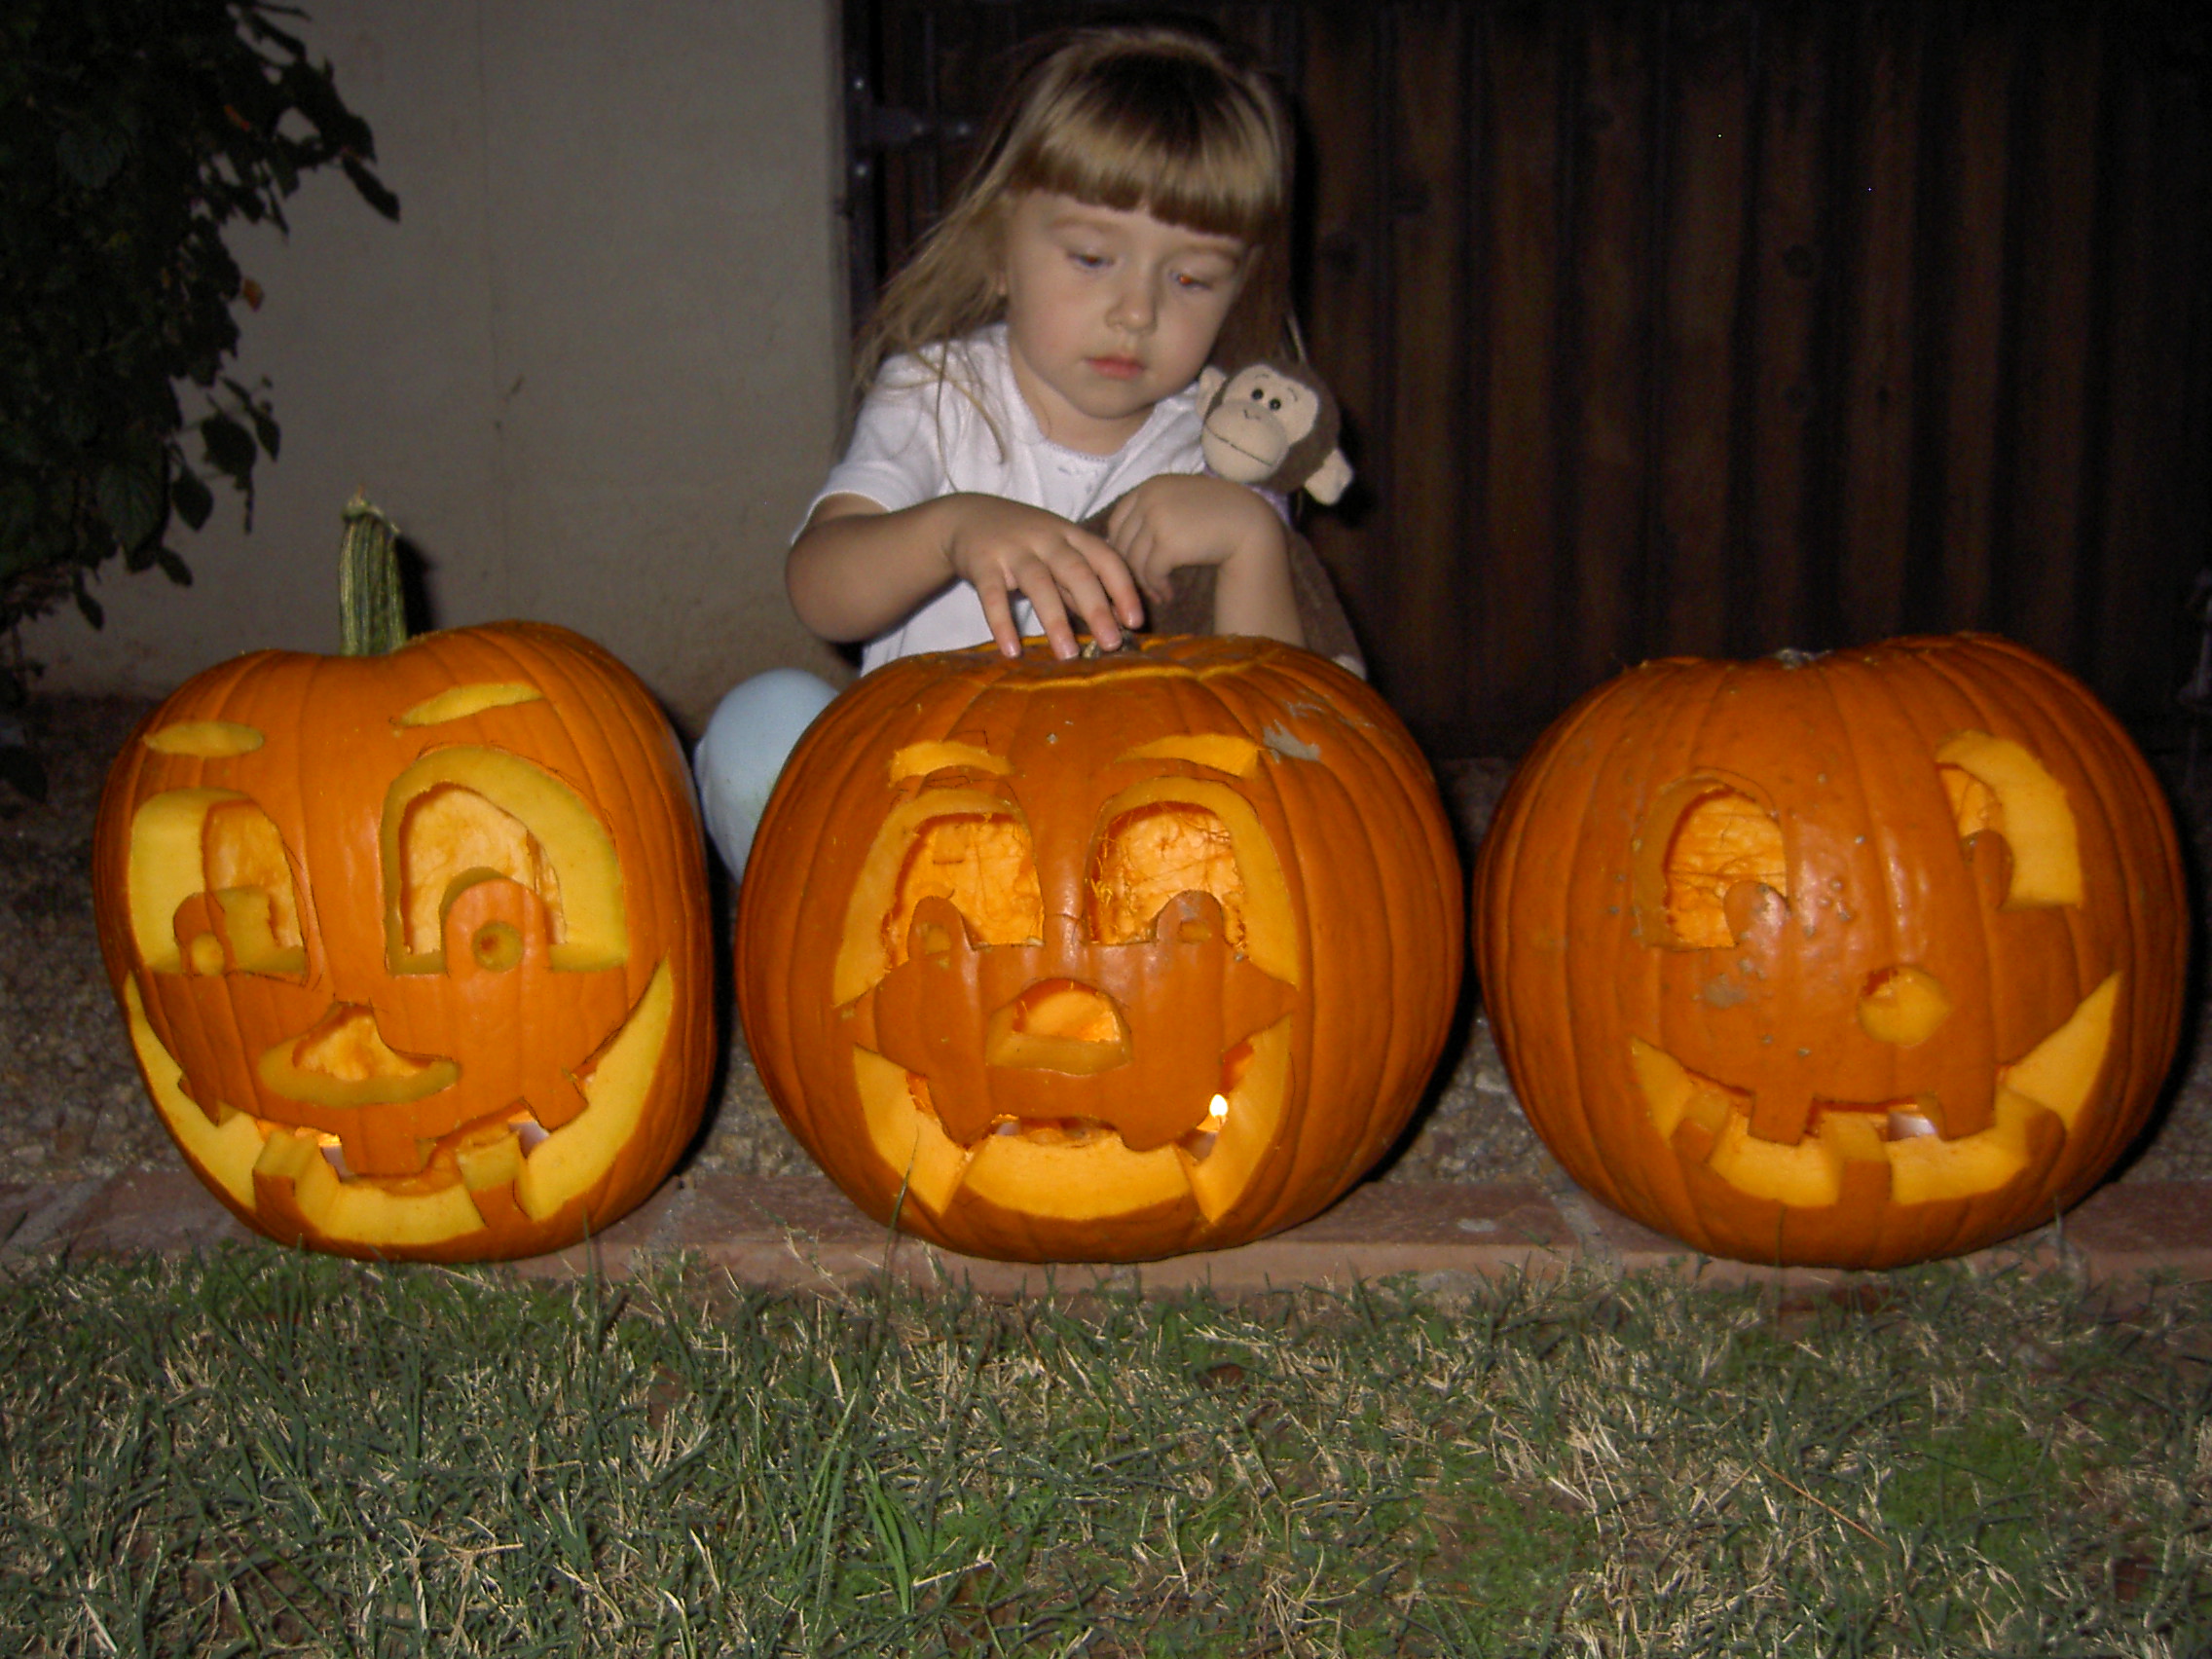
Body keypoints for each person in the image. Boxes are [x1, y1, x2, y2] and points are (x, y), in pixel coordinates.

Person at [696, 25, 1305, 879]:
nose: (1137, 311)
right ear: (998, 248)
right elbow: (821, 592)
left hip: (1112, 855)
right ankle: (799, 944)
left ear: (1239, 289)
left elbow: (1289, 741)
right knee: (762, 723)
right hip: (910, 818)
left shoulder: (1224, 450)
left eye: (1191, 278)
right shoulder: (938, 394)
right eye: (1092, 257)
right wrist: (948, 531)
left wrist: (1253, 538)